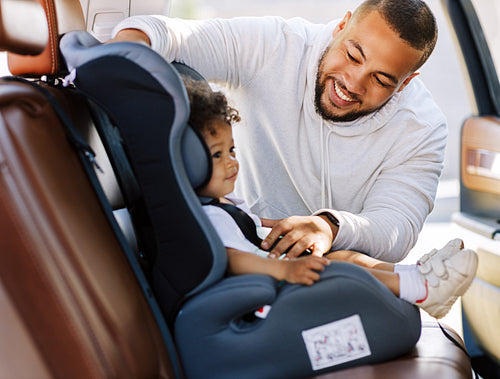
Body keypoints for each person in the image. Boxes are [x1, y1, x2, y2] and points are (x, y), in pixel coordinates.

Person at [109, 0, 446, 263]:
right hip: (250, 250)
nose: (353, 83)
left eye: (382, 79)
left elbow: (397, 226)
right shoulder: (277, 47)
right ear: (341, 26)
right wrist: (111, 70)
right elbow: (163, 33)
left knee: (352, 264)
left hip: (332, 268)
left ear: (406, 83)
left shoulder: (422, 127)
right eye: (353, 55)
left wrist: (330, 226)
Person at [183, 77, 477, 319]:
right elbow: (232, 259)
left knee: (342, 255)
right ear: (187, 161)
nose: (232, 163)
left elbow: (248, 229)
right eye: (217, 155)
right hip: (268, 296)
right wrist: (284, 268)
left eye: (232, 151)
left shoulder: (224, 205)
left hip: (273, 280)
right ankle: (421, 287)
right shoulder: (209, 216)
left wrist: (275, 227)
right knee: (338, 267)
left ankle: (417, 276)